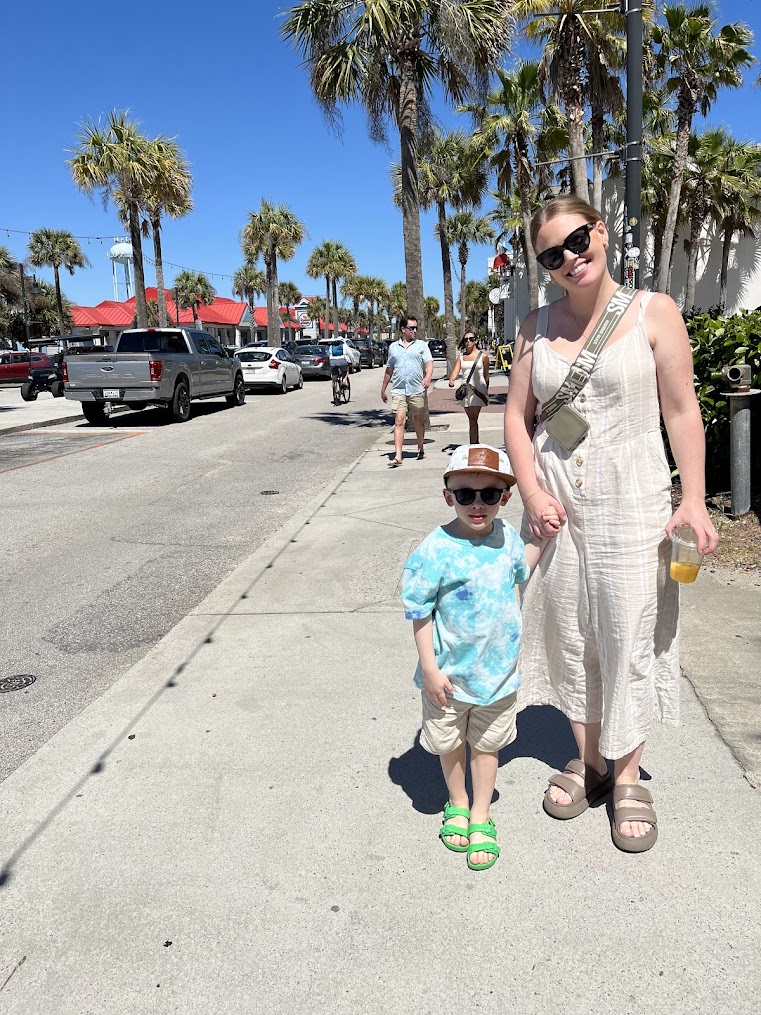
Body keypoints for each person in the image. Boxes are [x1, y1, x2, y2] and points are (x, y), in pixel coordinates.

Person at [504, 194, 719, 853]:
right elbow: (516, 418)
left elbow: (681, 410)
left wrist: (694, 497)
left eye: (576, 241)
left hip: (634, 500)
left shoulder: (654, 312)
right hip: (558, 504)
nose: (569, 258)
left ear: (598, 231)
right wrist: (532, 491)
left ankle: (627, 774)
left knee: (626, 633)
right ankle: (590, 760)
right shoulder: (532, 325)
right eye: (551, 254)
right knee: (569, 632)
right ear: (542, 266)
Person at [401, 444, 550, 871]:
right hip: (447, 678)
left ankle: (482, 812)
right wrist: (429, 668)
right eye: (465, 494)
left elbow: (523, 567)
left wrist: (542, 536)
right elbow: (419, 612)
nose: (477, 504)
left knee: (487, 748)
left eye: (490, 494)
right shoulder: (434, 549)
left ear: (506, 497)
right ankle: (458, 801)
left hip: (498, 677)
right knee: (450, 745)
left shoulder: (506, 539)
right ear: (448, 495)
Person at [381, 315, 433, 466]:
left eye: (416, 328)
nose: (415, 330)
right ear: (403, 329)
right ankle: (398, 456)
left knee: (418, 419)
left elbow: (429, 362)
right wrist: (383, 389)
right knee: (399, 420)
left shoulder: (422, 345)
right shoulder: (393, 348)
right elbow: (389, 369)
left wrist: (428, 376)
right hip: (398, 390)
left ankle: (421, 447)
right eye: (411, 328)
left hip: (417, 389)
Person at [448, 331, 490, 442]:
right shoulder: (461, 357)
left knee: (473, 418)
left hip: (478, 389)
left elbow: (486, 376)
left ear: (475, 341)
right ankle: (475, 443)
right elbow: (455, 371)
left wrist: (486, 392)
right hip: (466, 390)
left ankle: (474, 444)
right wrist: (451, 380)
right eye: (466, 339)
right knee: (471, 418)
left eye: (471, 339)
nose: (468, 341)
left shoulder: (483, 356)